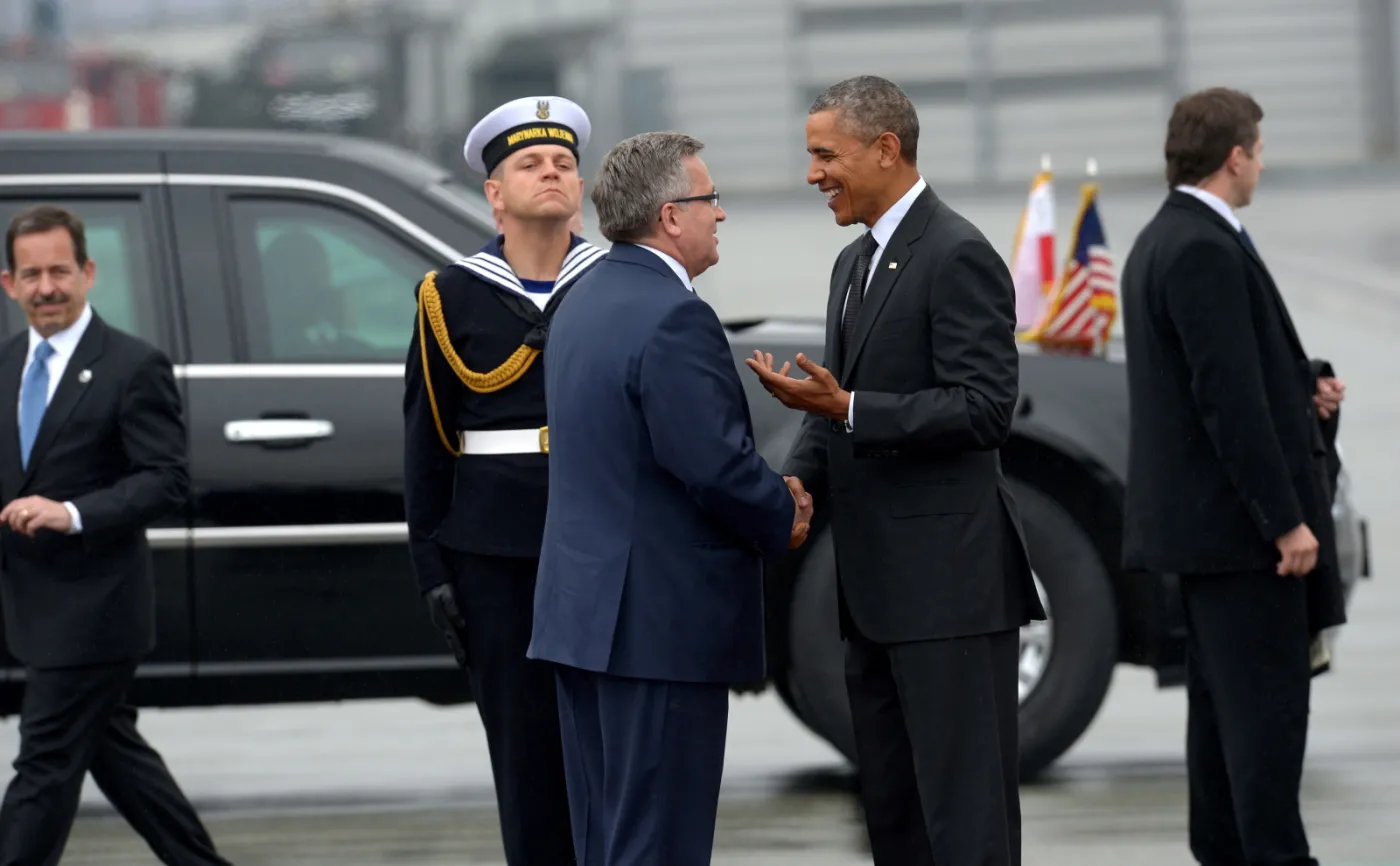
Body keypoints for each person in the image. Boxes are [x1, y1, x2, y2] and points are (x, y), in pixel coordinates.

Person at [746, 75, 1045, 866]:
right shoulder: (854, 265)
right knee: (896, 816)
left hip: (949, 591)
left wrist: (848, 410)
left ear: (886, 149)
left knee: (964, 819)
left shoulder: (957, 254)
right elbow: (836, 402)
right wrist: (800, 477)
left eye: (824, 155)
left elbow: (985, 407)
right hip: (874, 595)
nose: (813, 174)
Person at [527, 131, 812, 866]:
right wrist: (783, 513)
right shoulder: (675, 317)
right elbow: (712, 465)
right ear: (669, 215)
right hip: (656, 629)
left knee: (607, 841)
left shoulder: (580, 301)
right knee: (658, 844)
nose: (721, 214)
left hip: (584, 622)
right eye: (709, 199)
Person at [1119, 86, 1347, 866]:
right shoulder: (1203, 248)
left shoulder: (1166, 238)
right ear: (1235, 156)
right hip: (1244, 542)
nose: (1260, 163)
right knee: (1265, 731)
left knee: (1222, 725)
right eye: (1258, 149)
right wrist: (1285, 521)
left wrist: (1303, 384)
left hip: (1212, 541)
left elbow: (1223, 377)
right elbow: (1226, 404)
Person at [401, 95, 606, 866]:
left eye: (563, 164)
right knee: (524, 760)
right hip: (495, 557)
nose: (551, 173)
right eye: (530, 164)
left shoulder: (614, 283)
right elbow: (427, 447)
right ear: (495, 193)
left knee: (609, 749)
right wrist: (433, 571)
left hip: (602, 543)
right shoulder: (447, 297)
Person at [0, 205, 230, 865]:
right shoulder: (6, 364)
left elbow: (166, 480)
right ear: (9, 283)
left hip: (96, 609)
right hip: (28, 607)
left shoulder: (132, 365)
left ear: (88, 273)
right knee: (116, 756)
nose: (47, 287)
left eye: (60, 271)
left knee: (44, 761)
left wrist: (71, 513)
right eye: (32, 273)